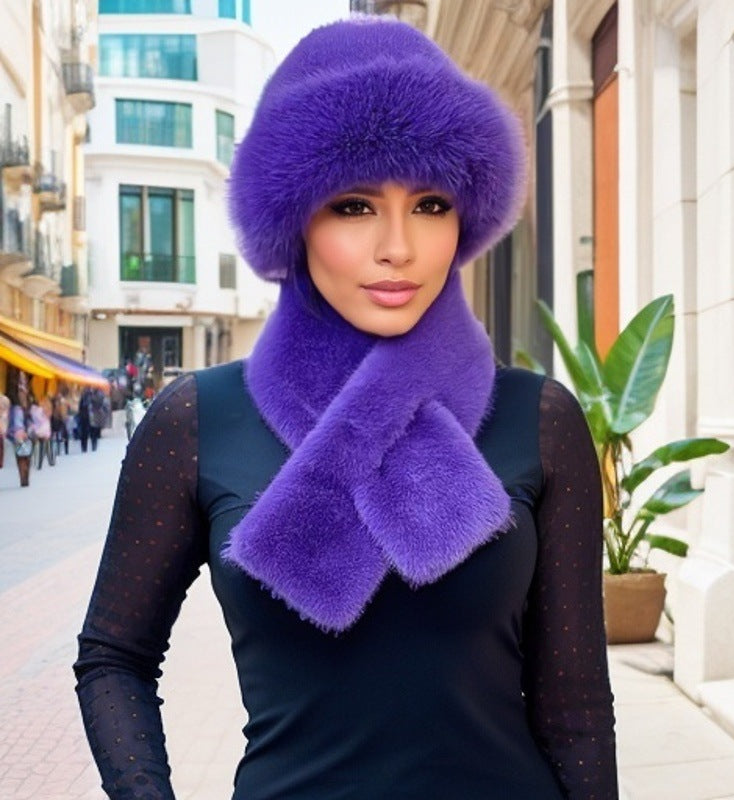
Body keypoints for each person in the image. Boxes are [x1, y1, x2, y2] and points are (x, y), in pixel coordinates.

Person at [74, 16, 617, 800]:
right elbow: (114, 656)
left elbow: (577, 710)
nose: (398, 246)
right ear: (293, 219)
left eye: (430, 203)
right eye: (355, 206)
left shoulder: (539, 419)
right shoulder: (197, 421)